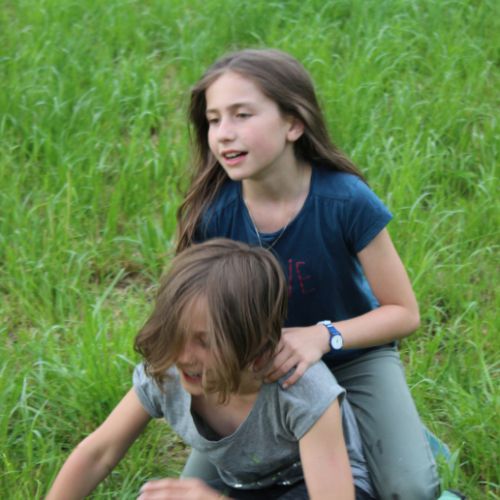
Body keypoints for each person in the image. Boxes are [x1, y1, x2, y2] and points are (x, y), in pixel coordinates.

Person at [176, 48, 440, 499]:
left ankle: (392, 433)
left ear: (294, 124)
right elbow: (193, 315)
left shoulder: (346, 201)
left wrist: (323, 336)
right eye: (214, 120)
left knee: (411, 488)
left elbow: (403, 312)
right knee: (193, 491)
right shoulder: (213, 214)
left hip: (353, 358)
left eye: (242, 115)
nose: (224, 133)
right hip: (259, 371)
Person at [46, 239, 375, 500]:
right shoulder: (166, 370)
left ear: (254, 344)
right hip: (248, 486)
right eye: (177, 335)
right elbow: (98, 453)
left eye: (205, 342)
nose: (183, 356)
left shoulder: (302, 389)